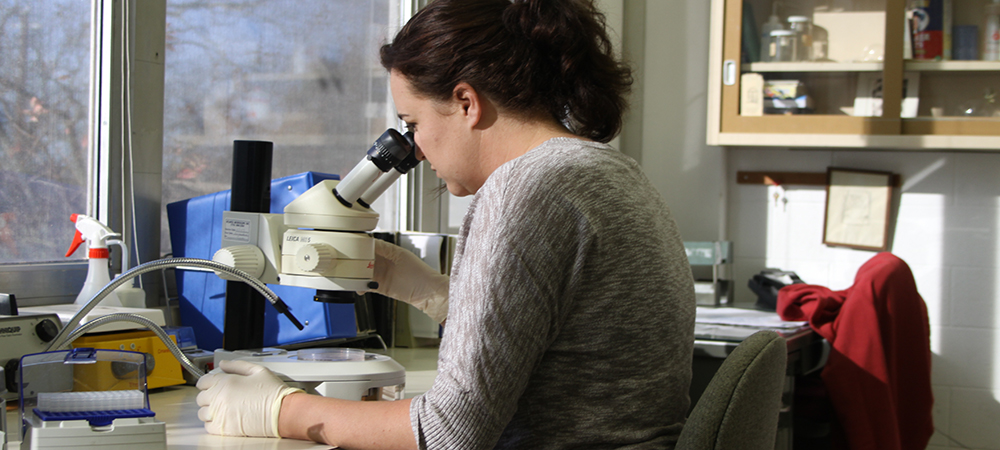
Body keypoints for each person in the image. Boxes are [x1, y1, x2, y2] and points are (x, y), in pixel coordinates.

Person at [194, 0, 696, 448]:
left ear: (466, 103)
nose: (415, 147)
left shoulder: (524, 191)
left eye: (412, 124)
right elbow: (573, 352)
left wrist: (284, 410)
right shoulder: (607, 169)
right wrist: (433, 293)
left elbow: (451, 433)